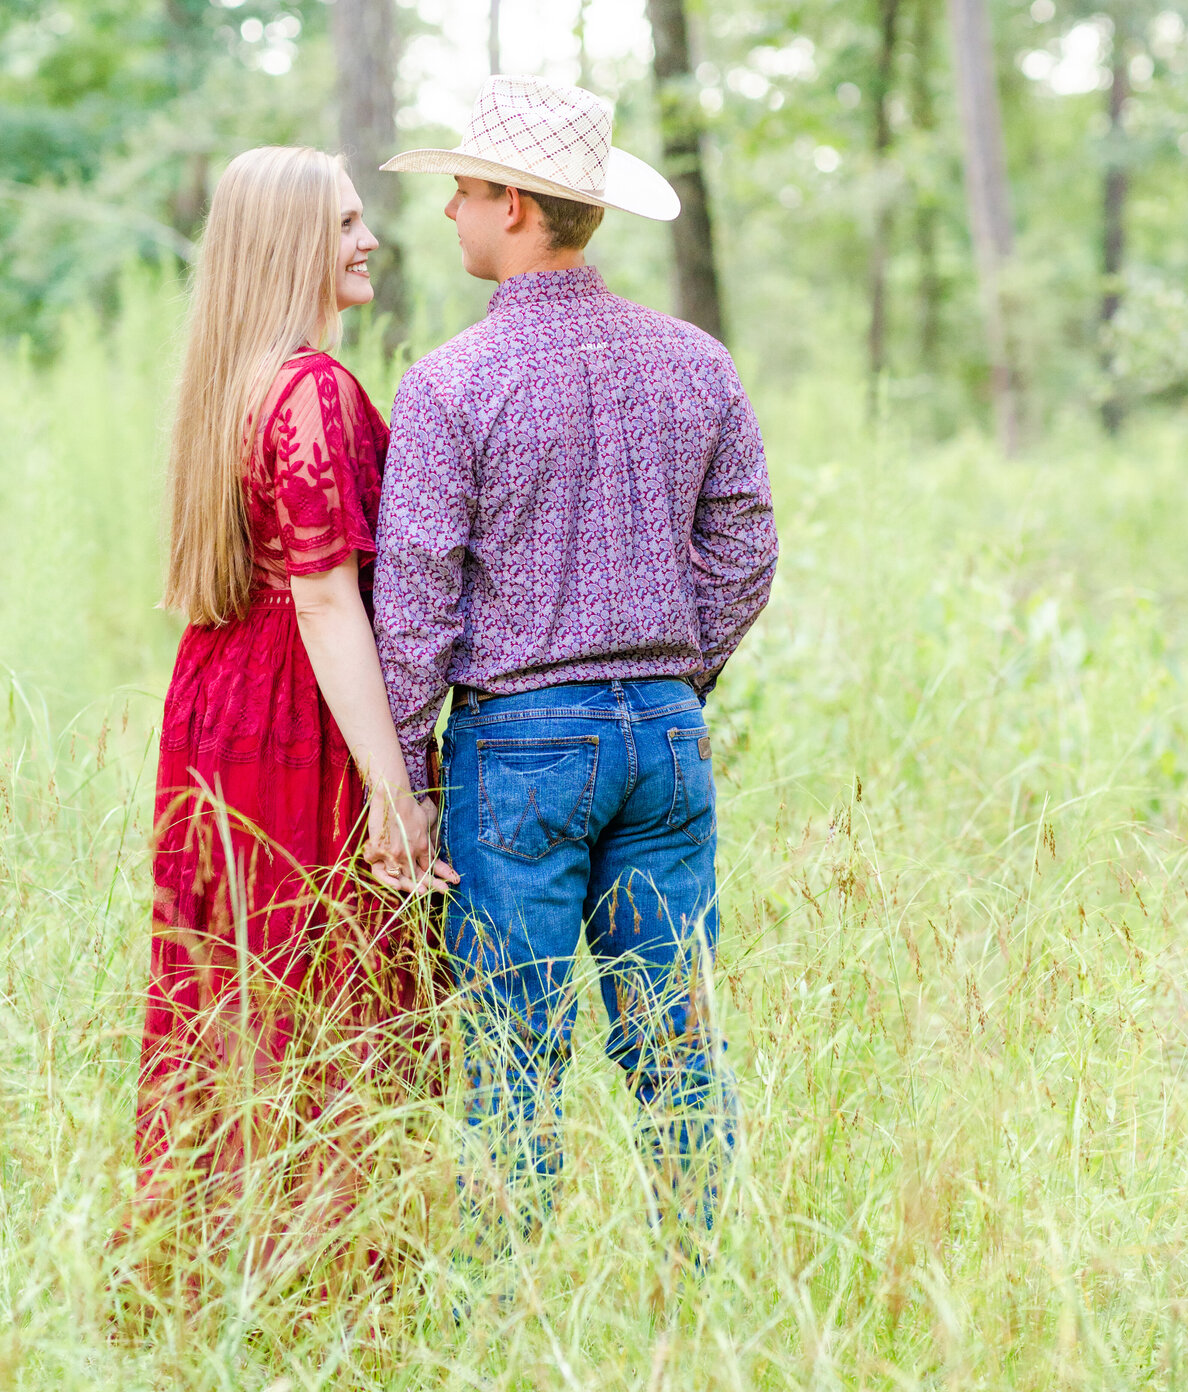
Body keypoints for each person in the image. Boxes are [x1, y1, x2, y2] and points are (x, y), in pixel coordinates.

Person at [372, 77, 778, 1271]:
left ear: (514, 204)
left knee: (514, 1040)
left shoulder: (451, 382)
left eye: (462, 189)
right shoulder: (695, 362)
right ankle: (701, 1282)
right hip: (664, 739)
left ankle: (504, 1309)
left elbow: (414, 610)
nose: (448, 209)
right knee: (674, 1033)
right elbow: (747, 545)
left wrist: (404, 781)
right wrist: (671, 673)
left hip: (520, 750)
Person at [136, 145, 456, 1239]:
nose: (369, 239)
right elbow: (326, 602)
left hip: (217, 699)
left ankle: (232, 1251)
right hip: (293, 708)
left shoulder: (237, 379)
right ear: (289, 242)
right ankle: (329, 1274)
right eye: (346, 222)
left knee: (235, 986)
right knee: (324, 986)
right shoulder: (309, 387)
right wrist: (396, 790)